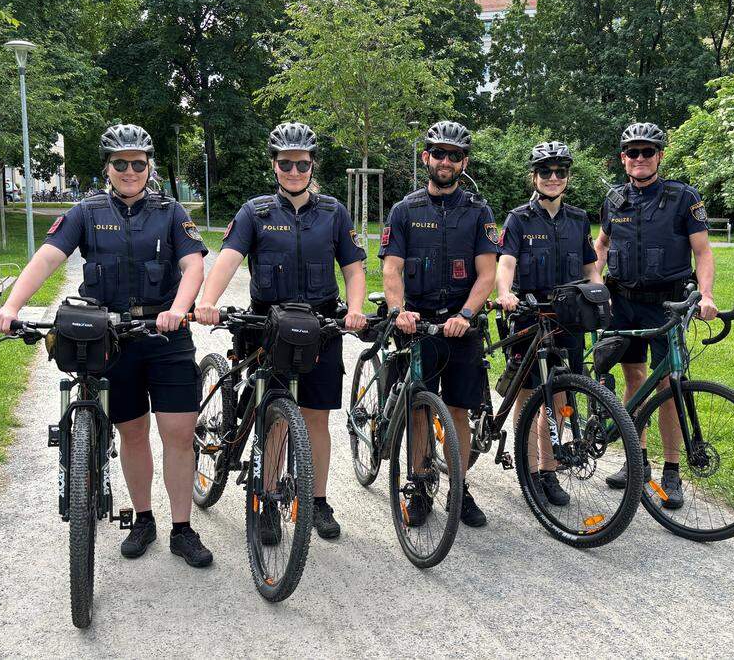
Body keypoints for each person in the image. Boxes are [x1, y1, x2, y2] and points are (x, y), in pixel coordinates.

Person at [0, 124, 213, 567]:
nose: (130, 171)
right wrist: (9, 307)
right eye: (120, 163)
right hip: (113, 338)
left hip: (166, 336)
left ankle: (182, 529)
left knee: (179, 434)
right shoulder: (86, 211)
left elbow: (193, 265)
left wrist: (179, 308)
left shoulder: (170, 211)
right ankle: (144, 518)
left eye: (138, 163)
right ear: (107, 167)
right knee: (132, 432)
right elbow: (49, 257)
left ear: (150, 166)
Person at [194, 122, 367, 541]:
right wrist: (207, 301)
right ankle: (268, 498)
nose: (294, 171)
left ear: (312, 165)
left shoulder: (333, 212)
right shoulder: (255, 213)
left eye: (302, 163)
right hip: (267, 326)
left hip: (321, 325)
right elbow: (229, 258)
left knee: (315, 420)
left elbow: (353, 267)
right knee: (274, 419)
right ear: (274, 165)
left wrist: (356, 310)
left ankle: (317, 501)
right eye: (286, 163)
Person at [379, 120, 498, 528]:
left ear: (463, 162)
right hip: (418, 325)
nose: (445, 161)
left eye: (454, 155)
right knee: (417, 410)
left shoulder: (479, 212)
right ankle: (420, 484)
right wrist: (399, 311)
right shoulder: (405, 210)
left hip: (461, 326)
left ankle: (459, 489)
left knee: (459, 411)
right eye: (438, 153)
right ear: (425, 157)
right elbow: (391, 270)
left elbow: (487, 273)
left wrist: (466, 315)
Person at [593, 122, 718, 509]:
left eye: (648, 151)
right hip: (624, 303)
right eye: (633, 152)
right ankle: (638, 462)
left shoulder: (683, 197)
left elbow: (703, 252)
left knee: (667, 385)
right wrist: (595, 284)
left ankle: (671, 470)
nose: (640, 158)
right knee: (634, 377)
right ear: (623, 159)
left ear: (660, 156)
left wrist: (707, 294)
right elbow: (601, 245)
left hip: (667, 303)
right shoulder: (615, 200)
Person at [494, 141, 600, 507]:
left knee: (556, 396)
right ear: (534, 177)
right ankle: (528, 469)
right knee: (527, 398)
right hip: (528, 314)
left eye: (560, 172)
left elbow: (590, 266)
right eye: (545, 172)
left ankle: (548, 471)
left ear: (568, 177)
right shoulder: (518, 219)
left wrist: (600, 293)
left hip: (568, 317)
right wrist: (506, 293)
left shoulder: (578, 219)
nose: (553, 178)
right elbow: (505, 262)